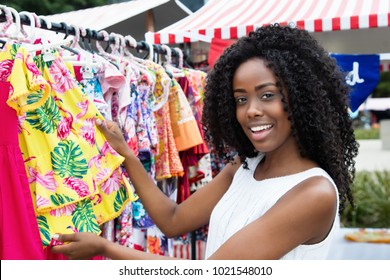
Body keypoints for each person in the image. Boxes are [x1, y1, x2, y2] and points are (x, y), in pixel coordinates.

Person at [50, 24, 359, 260]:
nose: (251, 110)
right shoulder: (245, 168)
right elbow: (172, 220)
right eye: (240, 99)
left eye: (267, 95)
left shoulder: (313, 193)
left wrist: (107, 248)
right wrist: (126, 154)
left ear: (302, 99)